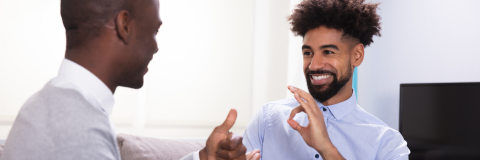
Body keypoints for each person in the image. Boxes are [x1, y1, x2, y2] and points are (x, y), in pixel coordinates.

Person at [0, 0, 260, 160]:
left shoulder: (56, 106)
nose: (156, 47)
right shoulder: (76, 132)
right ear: (124, 25)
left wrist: (203, 158)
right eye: (155, 31)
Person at [242, 0, 410, 159]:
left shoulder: (387, 144)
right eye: (308, 53)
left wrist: (327, 149)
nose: (314, 65)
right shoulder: (268, 120)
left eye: (328, 52)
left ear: (357, 56)